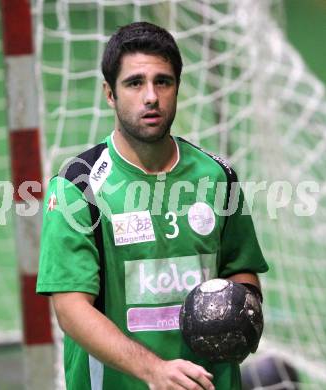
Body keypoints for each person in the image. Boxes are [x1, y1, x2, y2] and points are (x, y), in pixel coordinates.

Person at [36, 22, 269, 390]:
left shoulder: (219, 176)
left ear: (177, 87)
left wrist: (246, 312)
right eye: (134, 83)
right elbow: (71, 309)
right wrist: (154, 371)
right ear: (109, 93)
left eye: (163, 82)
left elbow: (242, 272)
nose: (151, 97)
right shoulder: (77, 186)